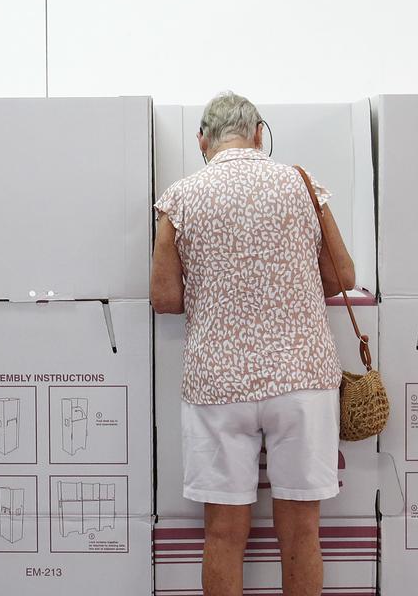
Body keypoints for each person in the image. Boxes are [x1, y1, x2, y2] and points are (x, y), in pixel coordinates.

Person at [150, 91, 356, 596]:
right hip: (301, 380)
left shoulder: (179, 198)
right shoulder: (302, 186)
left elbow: (165, 299)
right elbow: (343, 275)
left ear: (202, 139)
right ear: (260, 133)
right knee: (303, 532)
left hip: (218, 384)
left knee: (222, 534)